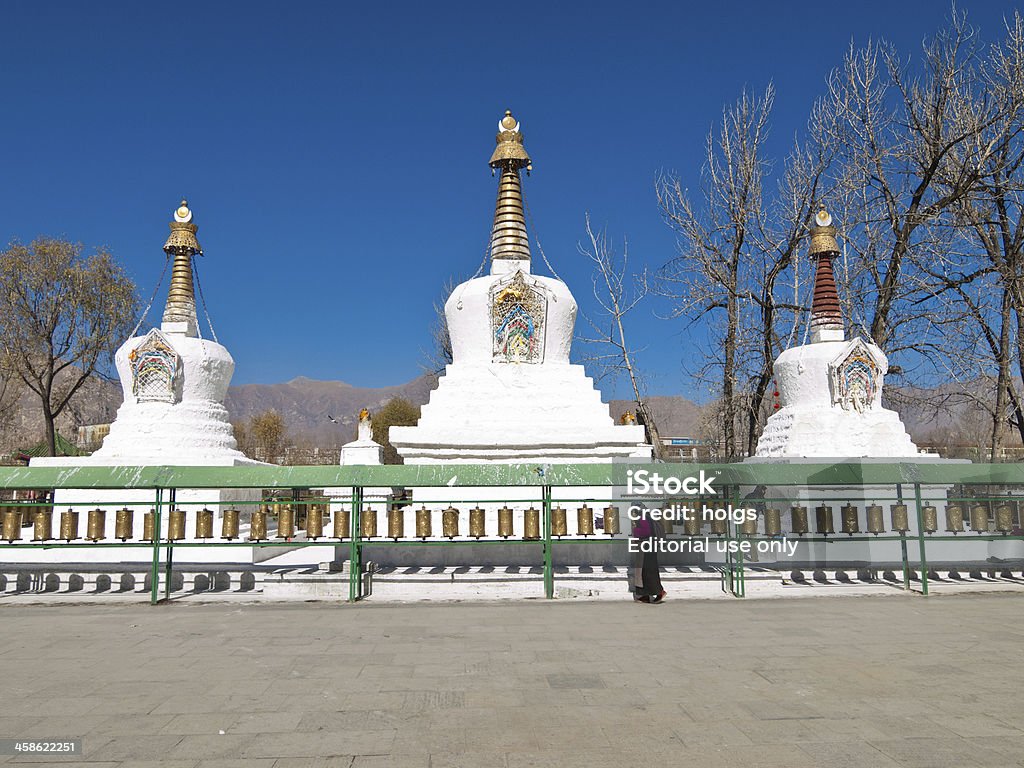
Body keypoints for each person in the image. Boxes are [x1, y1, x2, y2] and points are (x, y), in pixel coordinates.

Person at [630, 507, 667, 603]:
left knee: (648, 571)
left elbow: (646, 531)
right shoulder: (647, 517)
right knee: (643, 572)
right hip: (647, 547)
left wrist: (635, 531)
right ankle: (645, 595)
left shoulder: (642, 518)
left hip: (647, 548)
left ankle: (660, 592)